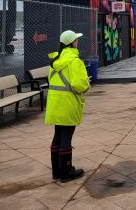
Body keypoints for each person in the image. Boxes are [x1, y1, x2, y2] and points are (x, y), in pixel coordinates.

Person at [45, 30, 90, 183]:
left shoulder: (55, 60)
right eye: (76, 40)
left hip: (54, 102)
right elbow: (79, 85)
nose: (78, 41)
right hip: (68, 102)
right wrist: (86, 84)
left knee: (58, 134)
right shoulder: (75, 61)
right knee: (66, 136)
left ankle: (56, 171)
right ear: (72, 43)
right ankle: (66, 171)